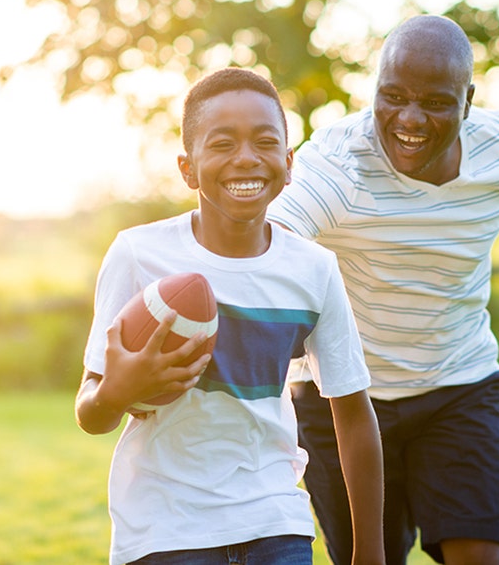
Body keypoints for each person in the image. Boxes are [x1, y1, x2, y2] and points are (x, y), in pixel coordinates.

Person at [268, 16, 499, 565]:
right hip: (342, 400)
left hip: (458, 386)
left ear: (468, 101)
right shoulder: (337, 165)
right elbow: (269, 242)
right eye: (392, 97)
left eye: (434, 102)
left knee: (486, 558)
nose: (408, 119)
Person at [75, 67, 385, 565]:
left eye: (264, 142)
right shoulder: (138, 255)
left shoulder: (314, 269)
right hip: (164, 529)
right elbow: (91, 412)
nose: (245, 158)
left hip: (275, 521)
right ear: (187, 168)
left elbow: (352, 414)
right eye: (222, 144)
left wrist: (370, 554)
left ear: (287, 162)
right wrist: (119, 389)